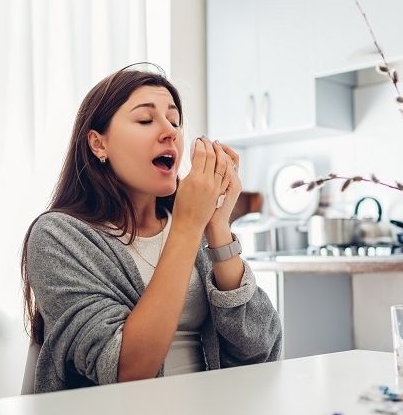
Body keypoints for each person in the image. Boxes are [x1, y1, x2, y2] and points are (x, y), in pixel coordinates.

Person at [21, 65, 282, 393]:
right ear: (98, 144)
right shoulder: (59, 236)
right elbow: (125, 369)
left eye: (174, 121)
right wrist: (188, 225)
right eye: (145, 120)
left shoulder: (194, 225)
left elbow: (260, 350)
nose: (170, 131)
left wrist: (216, 227)